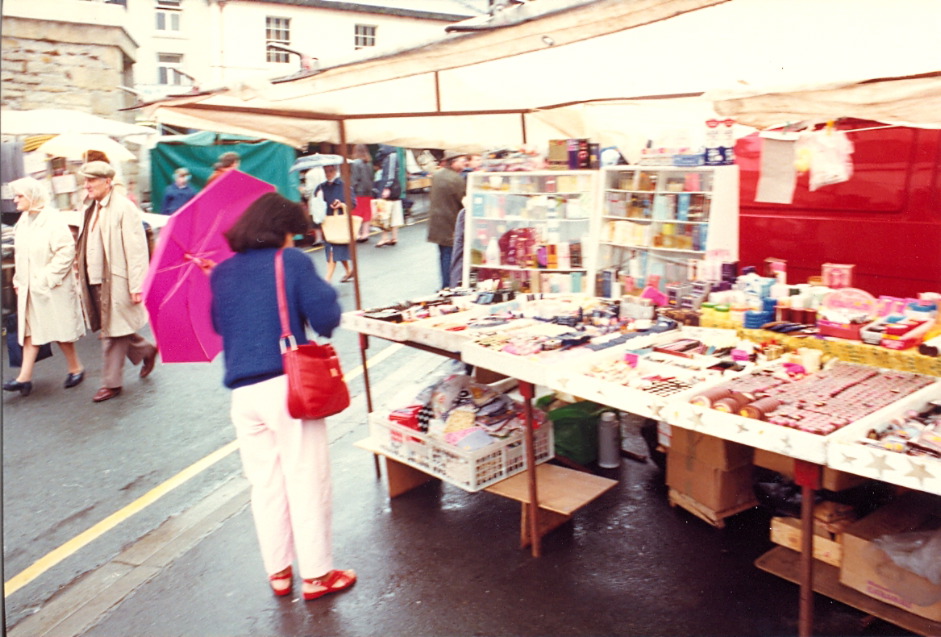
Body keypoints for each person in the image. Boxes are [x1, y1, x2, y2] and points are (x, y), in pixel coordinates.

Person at [209, 192, 355, 602]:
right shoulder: (289, 261)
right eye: (295, 232)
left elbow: (221, 324)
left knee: (266, 484)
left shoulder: (221, 273)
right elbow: (326, 319)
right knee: (306, 477)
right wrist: (321, 293)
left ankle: (279, 571)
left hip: (243, 395)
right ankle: (318, 575)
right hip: (287, 389)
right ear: (283, 231)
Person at [75, 161, 158, 403]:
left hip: (117, 281)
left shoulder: (124, 208)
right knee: (114, 327)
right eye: (85, 180)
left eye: (92, 180)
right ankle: (146, 350)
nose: (87, 184)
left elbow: (137, 251)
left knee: (112, 333)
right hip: (97, 278)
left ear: (107, 181)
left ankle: (111, 384)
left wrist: (136, 286)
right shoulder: (91, 206)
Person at [2, 178, 86, 397]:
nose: (15, 200)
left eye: (19, 196)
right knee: (31, 331)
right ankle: (24, 378)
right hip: (29, 287)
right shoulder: (24, 220)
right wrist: (18, 279)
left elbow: (66, 251)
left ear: (32, 196)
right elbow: (22, 254)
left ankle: (76, 368)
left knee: (59, 331)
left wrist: (46, 279)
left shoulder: (52, 219)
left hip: (50, 287)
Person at [427, 150, 468, 289]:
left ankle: (445, 284)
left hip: (437, 222)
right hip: (450, 223)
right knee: (450, 256)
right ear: (453, 162)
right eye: (462, 160)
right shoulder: (456, 179)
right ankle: (448, 286)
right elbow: (465, 202)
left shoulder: (437, 175)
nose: (465, 163)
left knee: (443, 254)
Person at [315, 164, 356, 283]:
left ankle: (327, 280)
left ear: (336, 171)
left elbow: (353, 203)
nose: (328, 173)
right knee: (334, 249)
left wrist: (342, 204)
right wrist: (318, 198)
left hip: (339, 223)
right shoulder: (320, 188)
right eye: (325, 171)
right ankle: (348, 271)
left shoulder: (344, 186)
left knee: (333, 250)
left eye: (330, 171)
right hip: (327, 223)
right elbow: (317, 206)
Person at [372, 144, 402, 247]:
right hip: (394, 188)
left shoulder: (391, 156)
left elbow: (390, 174)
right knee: (393, 212)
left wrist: (386, 187)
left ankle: (385, 238)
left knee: (384, 212)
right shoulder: (392, 155)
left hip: (389, 188)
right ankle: (394, 237)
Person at [349, 144, 373, 242]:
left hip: (358, 192)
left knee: (356, 213)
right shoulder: (368, 163)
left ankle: (357, 234)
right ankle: (365, 233)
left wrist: (351, 188)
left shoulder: (355, 163)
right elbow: (371, 177)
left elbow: (354, 178)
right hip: (368, 192)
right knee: (366, 213)